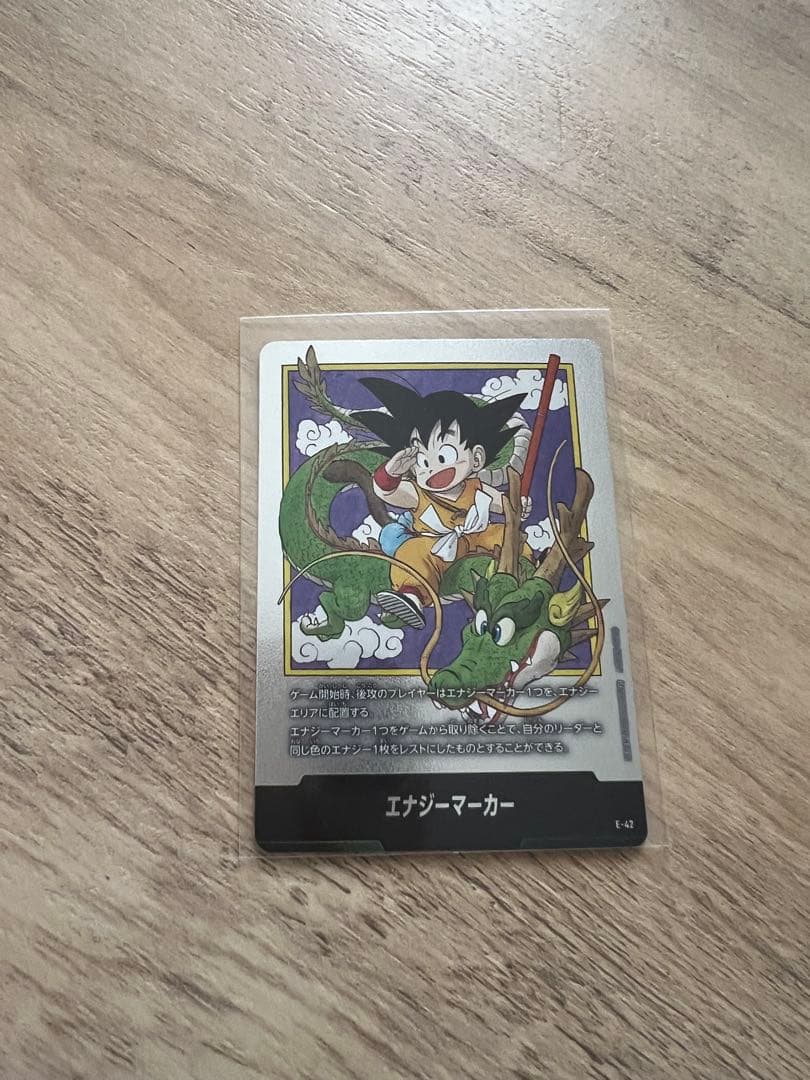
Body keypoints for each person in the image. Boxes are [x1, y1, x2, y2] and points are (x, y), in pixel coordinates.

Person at [352, 378, 531, 629]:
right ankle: (412, 596)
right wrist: (392, 470)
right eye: (423, 462)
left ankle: (530, 568)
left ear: (476, 459)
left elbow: (504, 505)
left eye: (444, 456)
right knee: (412, 552)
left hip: (476, 538)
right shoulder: (417, 493)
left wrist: (518, 507)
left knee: (504, 534)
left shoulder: (476, 487)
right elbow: (385, 491)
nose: (433, 469)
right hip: (435, 546)